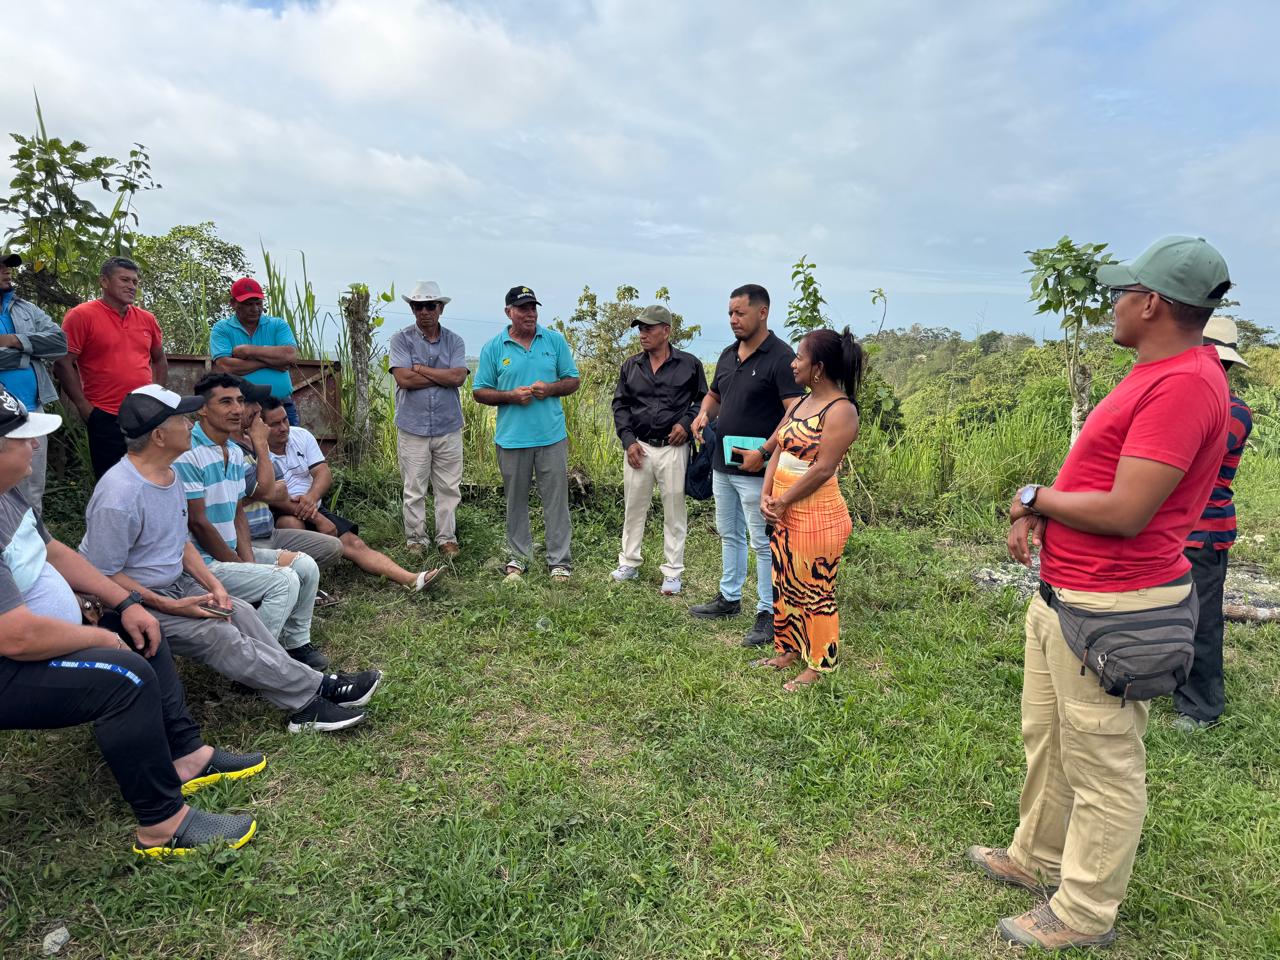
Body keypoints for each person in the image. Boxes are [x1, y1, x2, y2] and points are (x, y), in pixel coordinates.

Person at [971, 236, 1232, 950]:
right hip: (1069, 593)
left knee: (1103, 763)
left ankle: (1084, 911)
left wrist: (1033, 495)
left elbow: (1126, 510)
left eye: (1123, 292)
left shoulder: (1183, 385)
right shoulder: (1156, 372)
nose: (1113, 303)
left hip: (1110, 605)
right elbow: (1101, 480)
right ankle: (1037, 856)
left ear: (1152, 304)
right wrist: (1043, 509)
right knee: (1051, 737)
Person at [0, 384, 263, 856]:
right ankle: (161, 823)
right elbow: (16, 637)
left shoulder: (9, 496)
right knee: (125, 677)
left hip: (43, 633)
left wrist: (126, 604)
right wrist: (97, 639)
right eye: (23, 439)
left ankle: (187, 754)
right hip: (12, 662)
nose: (35, 445)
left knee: (142, 629)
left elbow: (55, 552)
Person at [80, 385, 381, 733]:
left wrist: (214, 584)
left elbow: (180, 543)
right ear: (159, 436)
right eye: (181, 419)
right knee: (218, 634)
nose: (189, 424)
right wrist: (169, 605)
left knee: (240, 612)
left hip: (177, 583)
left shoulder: (168, 475)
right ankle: (311, 698)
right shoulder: (119, 495)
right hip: (133, 602)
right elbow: (100, 575)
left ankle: (311, 687)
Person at [174, 373, 327, 671]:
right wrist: (239, 564)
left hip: (229, 553)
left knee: (306, 566)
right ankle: (255, 665)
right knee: (284, 580)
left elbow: (237, 513)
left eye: (240, 401)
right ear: (202, 409)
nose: (236, 409)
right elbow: (198, 523)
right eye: (225, 402)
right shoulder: (188, 453)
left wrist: (247, 562)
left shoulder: (232, 451)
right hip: (200, 564)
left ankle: (295, 644)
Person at [690, 284, 803, 646]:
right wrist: (704, 415)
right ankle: (729, 597)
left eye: (740, 313)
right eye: (730, 313)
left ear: (762, 312)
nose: (733, 320)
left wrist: (766, 451)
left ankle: (769, 612)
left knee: (762, 540)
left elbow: (794, 412)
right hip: (723, 463)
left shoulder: (781, 357)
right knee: (729, 532)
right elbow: (715, 395)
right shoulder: (728, 354)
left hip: (758, 469)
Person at [754, 329, 862, 691]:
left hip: (819, 516)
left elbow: (823, 468)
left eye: (800, 356)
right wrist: (766, 495)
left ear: (819, 367)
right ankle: (787, 649)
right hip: (782, 511)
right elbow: (779, 449)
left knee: (815, 590)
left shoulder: (841, 410)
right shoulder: (799, 403)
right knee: (784, 583)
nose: (793, 363)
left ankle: (819, 665)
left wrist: (784, 500)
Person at [261, 397, 442, 591]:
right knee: (292, 524)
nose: (283, 427)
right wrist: (318, 519)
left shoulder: (301, 436)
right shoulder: (259, 452)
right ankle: (303, 587)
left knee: (354, 543)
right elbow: (273, 498)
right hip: (280, 512)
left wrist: (312, 498)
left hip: (312, 505)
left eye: (285, 420)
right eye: (275, 424)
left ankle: (413, 579)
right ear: (261, 426)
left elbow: (323, 473)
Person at [1174, 314, 1253, 732]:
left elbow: (1190, 453)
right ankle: (1169, 681)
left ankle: (1201, 707)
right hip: (1172, 530)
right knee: (1169, 611)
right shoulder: (1192, 405)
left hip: (1204, 531)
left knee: (1201, 618)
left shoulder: (1234, 412)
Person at [472, 286, 581, 582]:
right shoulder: (494, 347)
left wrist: (551, 389)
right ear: (509, 312)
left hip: (551, 436)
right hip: (511, 439)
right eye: (523, 308)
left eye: (533, 307)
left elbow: (572, 380)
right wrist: (509, 396)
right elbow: (479, 391)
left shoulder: (554, 341)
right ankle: (518, 558)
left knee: (556, 501)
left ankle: (559, 561)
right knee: (515, 502)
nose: (530, 313)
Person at [610, 304, 707, 595]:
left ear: (666, 331)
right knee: (633, 507)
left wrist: (686, 423)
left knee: (674, 509)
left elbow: (703, 401)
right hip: (639, 446)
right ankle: (629, 562)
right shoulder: (631, 366)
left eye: (649, 328)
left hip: (673, 448)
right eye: (641, 329)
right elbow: (620, 405)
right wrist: (628, 441)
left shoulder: (689, 365)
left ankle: (673, 571)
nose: (643, 334)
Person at [55, 257, 167, 479]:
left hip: (144, 414)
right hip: (105, 415)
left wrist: (157, 398)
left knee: (149, 477)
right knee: (112, 480)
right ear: (104, 281)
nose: (131, 286)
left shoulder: (147, 319)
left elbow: (159, 359)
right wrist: (84, 407)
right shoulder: (82, 315)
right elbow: (63, 362)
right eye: (124, 280)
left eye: (135, 282)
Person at [388, 281, 469, 556]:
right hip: (413, 426)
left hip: (448, 425)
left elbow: (458, 377)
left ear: (440, 308)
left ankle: (447, 538)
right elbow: (404, 379)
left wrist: (421, 369)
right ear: (412, 309)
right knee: (414, 487)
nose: (424, 311)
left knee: (449, 487)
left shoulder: (455, 341)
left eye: (430, 306)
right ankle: (416, 539)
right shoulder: (400, 339)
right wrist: (443, 376)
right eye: (418, 306)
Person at [232, 380, 344, 572]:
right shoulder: (233, 447)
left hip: (269, 532)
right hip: (248, 538)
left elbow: (280, 490)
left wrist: (259, 492)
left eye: (285, 420)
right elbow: (268, 493)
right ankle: (284, 576)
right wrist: (261, 445)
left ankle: (287, 574)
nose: (258, 408)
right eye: (252, 403)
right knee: (298, 562)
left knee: (334, 546)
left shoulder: (254, 442)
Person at [0, 250, 67, 514]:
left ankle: (33, 537)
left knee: (31, 487)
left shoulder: (26, 309)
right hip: (1, 418)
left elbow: (60, 344)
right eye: (0, 267)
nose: (7, 271)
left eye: (8, 266)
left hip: (31, 413)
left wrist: (14, 340)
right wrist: (28, 353)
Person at [210, 277, 301, 424]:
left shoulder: (278, 325)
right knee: (246, 440)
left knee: (287, 438)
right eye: (248, 304)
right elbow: (227, 366)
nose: (255, 309)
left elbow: (290, 355)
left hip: (281, 405)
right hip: (243, 408)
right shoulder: (222, 328)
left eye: (258, 303)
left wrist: (248, 350)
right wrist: (271, 363)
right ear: (233, 303)